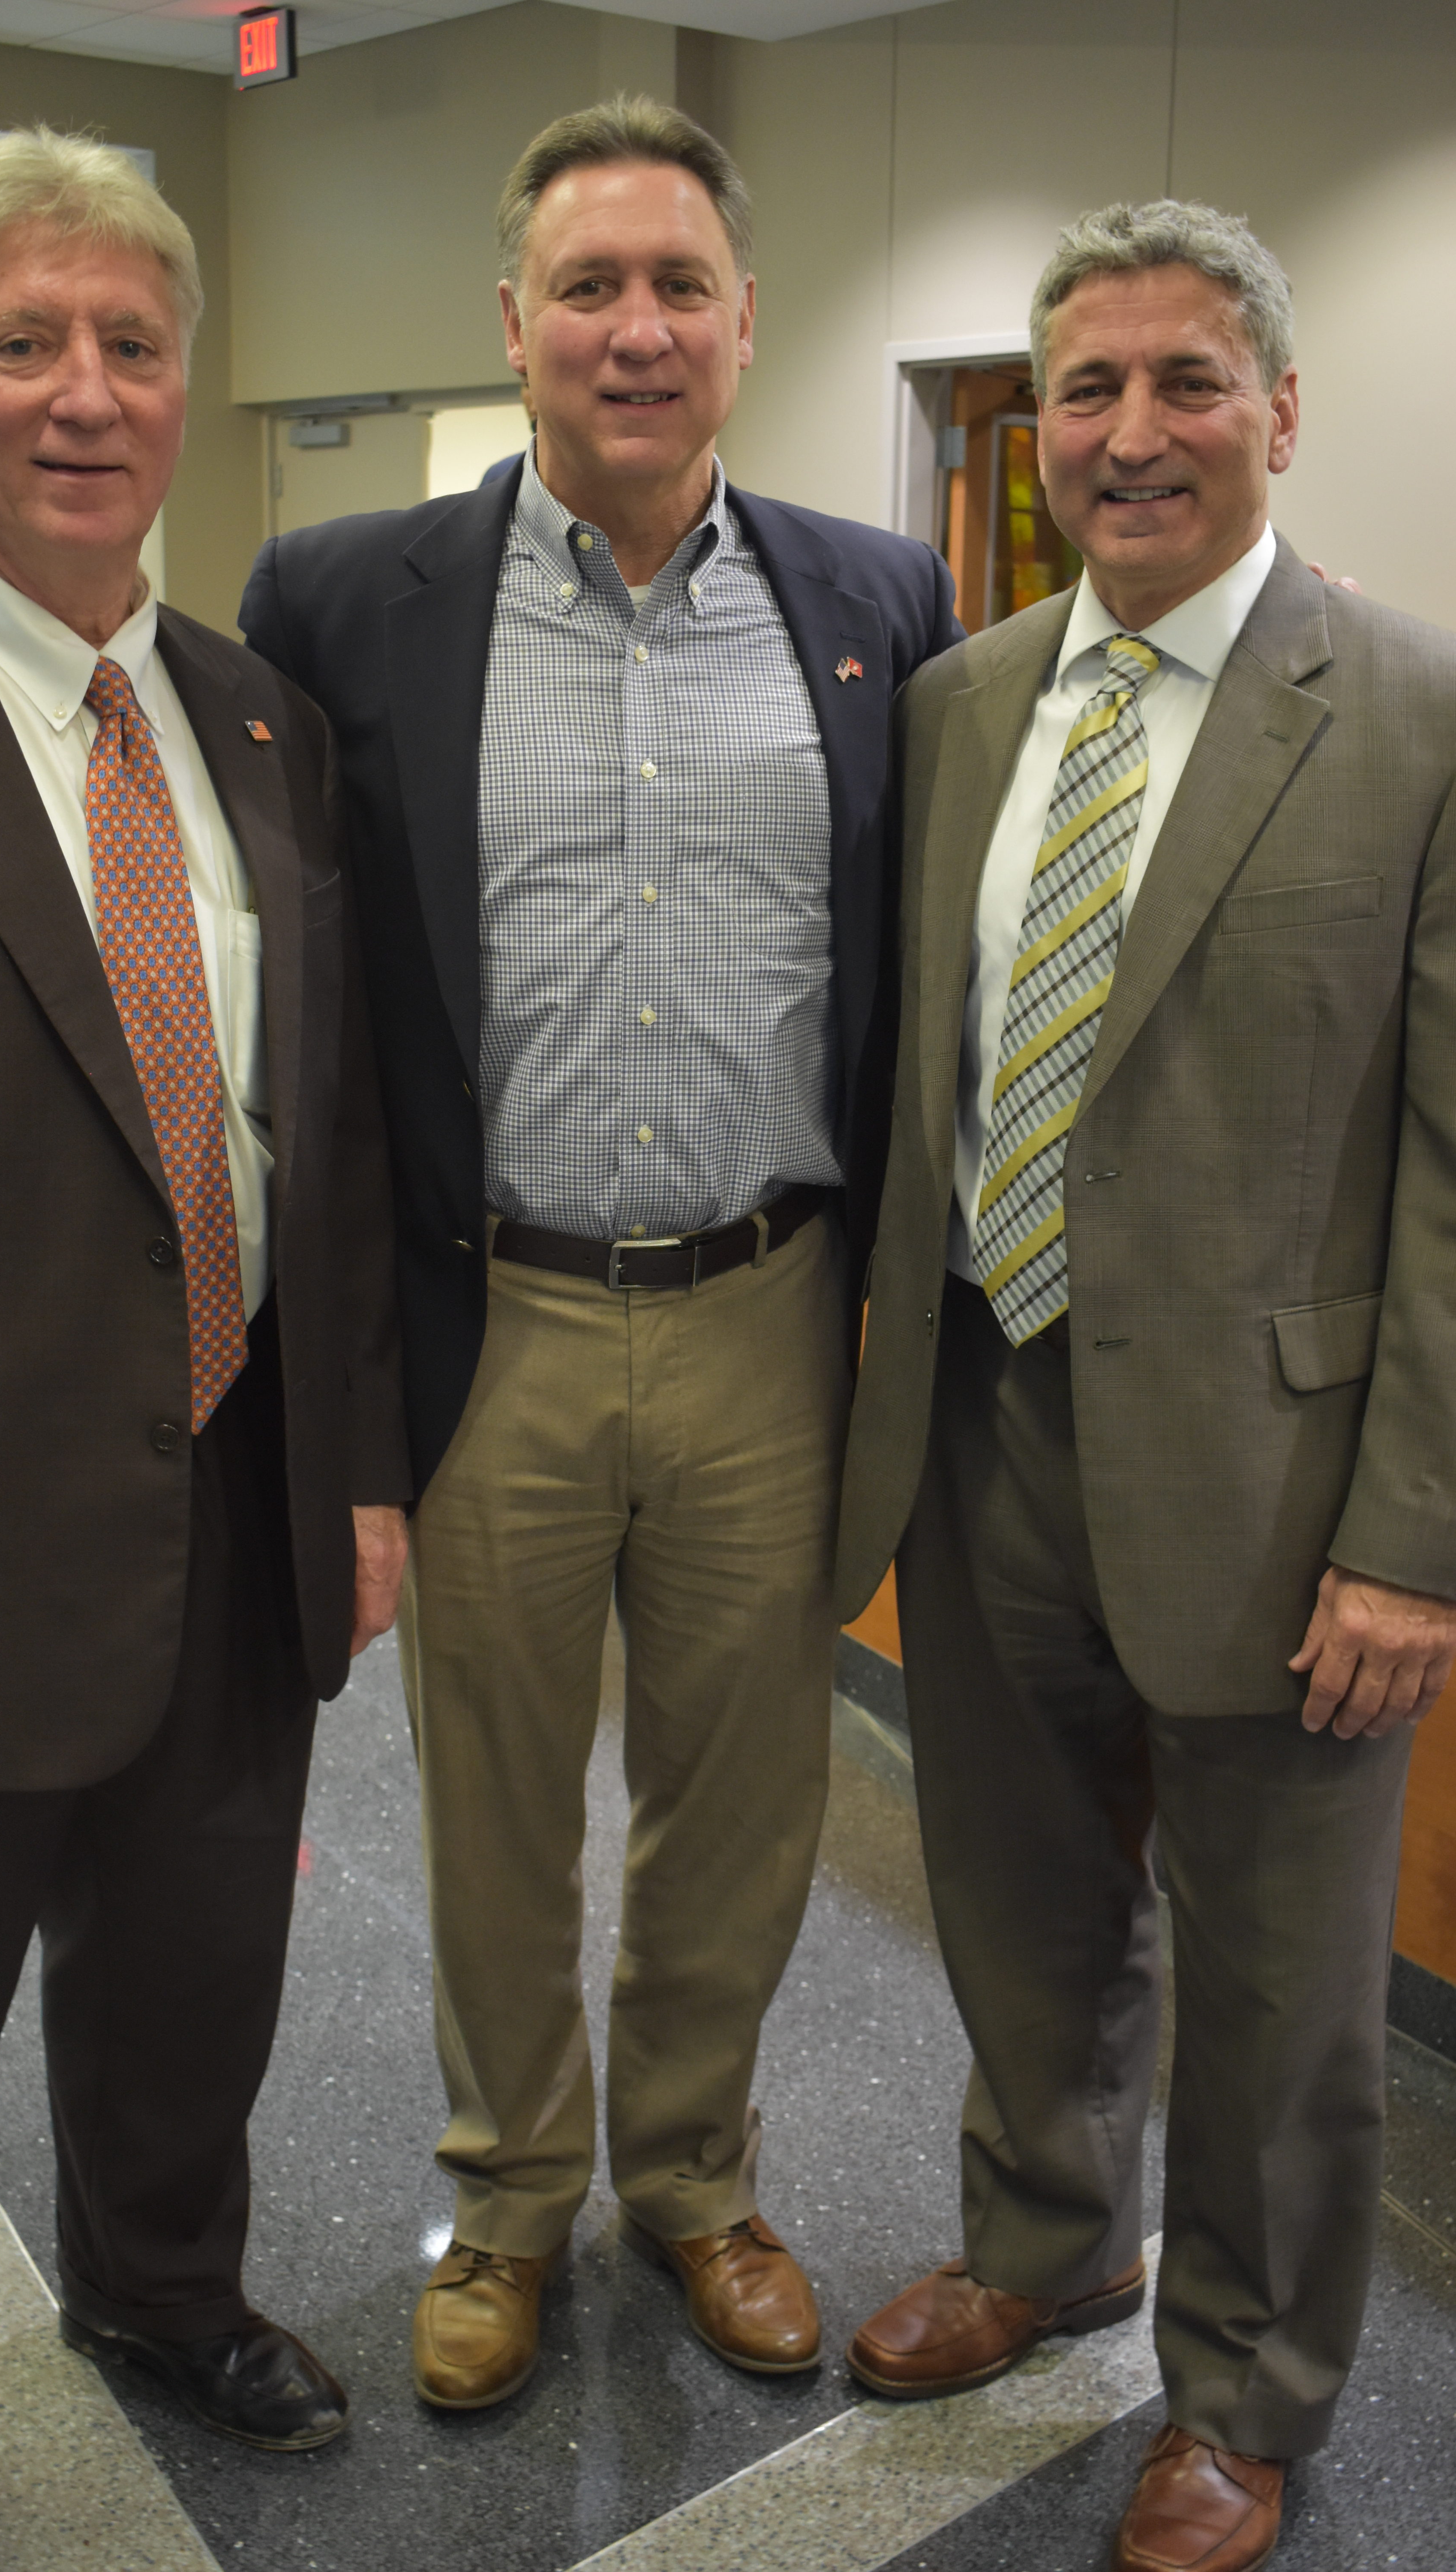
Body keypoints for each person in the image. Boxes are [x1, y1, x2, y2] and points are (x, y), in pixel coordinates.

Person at [240, 97, 958, 2409]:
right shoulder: (343, 600)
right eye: (587, 287)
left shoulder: (878, 605)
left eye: (677, 287)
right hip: (497, 1313)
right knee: (493, 1799)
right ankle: (508, 2197)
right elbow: (159, 778)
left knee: (743, 1798)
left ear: (744, 323)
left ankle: (695, 2180)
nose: (633, 329)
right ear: (515, 321)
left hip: (771, 1309)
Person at [0, 128, 408, 2572]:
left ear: (187, 383)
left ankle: (163, 2291)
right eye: (24, 342)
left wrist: (357, 1473)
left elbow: (318, 1135)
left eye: (131, 342)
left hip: (233, 1506)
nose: (84, 391)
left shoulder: (259, 724)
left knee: (196, 1985)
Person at [835, 198, 1456, 2572]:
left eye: (1188, 381)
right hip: (988, 1424)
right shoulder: (965, 704)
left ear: (1280, 409)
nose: (1132, 432)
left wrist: (1414, 1538)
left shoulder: (1414, 713)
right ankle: (1047, 2238)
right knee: (1017, 1899)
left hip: (1290, 1489)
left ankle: (1250, 2386)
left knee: (1285, 1990)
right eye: (1085, 387)